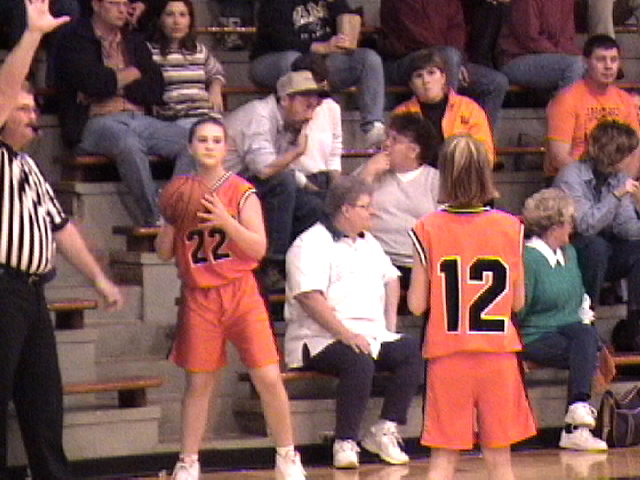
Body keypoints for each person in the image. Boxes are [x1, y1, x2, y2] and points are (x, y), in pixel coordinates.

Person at [0, 2, 124, 478]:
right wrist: (32, 35)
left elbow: (60, 227)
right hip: (2, 289)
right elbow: (5, 88)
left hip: (31, 294)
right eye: (23, 108)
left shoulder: (29, 166)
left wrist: (99, 279)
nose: (34, 116)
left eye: (36, 108)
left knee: (43, 403)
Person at [155, 116, 306, 480]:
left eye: (216, 140)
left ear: (227, 148)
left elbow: (258, 247)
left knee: (268, 377)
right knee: (198, 384)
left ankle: (287, 456)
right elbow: (162, 252)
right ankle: (187, 462)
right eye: (202, 140)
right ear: (190, 147)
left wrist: (226, 220)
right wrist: (172, 219)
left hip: (241, 291)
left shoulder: (241, 191)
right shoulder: (180, 191)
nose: (209, 146)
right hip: (199, 296)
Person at [408, 134, 536, 480]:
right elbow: (518, 302)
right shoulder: (511, 227)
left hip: (448, 356)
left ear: (444, 175)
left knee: (442, 462)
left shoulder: (426, 228)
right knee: (500, 463)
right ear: (486, 173)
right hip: (498, 356)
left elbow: (417, 305)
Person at [285, 176, 423, 469]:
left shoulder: (368, 242)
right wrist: (346, 335)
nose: (372, 212)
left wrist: (388, 327)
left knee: (411, 350)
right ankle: (345, 441)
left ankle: (384, 429)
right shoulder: (309, 244)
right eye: (366, 206)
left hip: (371, 334)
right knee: (358, 359)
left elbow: (392, 278)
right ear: (346, 209)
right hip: (320, 338)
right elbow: (309, 298)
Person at [54, 0, 194, 226]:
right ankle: (156, 217)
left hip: (138, 117)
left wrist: (113, 83)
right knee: (127, 142)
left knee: (192, 142)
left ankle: (172, 206)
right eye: (114, 3)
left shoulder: (134, 41)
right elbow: (91, 83)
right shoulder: (75, 39)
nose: (122, 10)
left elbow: (156, 88)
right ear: (96, 5)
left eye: (125, 4)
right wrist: (131, 74)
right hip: (94, 121)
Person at [519, 188, 608, 451]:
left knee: (585, 336)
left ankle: (577, 410)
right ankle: (575, 428)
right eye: (569, 222)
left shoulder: (570, 254)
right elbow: (519, 310)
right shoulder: (528, 259)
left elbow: (580, 299)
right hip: (534, 336)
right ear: (554, 226)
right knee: (585, 347)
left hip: (571, 333)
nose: (572, 227)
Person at [224, 70, 327, 286]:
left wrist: (315, 189)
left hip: (251, 187)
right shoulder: (260, 116)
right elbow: (265, 170)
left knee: (315, 203)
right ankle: (273, 262)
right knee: (283, 183)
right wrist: (297, 152)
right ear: (285, 99)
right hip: (224, 189)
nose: (310, 115)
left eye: (314, 108)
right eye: (306, 107)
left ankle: (294, 266)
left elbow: (283, 170)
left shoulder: (288, 123)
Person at [249, 0, 386, 148]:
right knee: (293, 60)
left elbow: (350, 23)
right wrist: (321, 47)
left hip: (318, 62)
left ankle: (373, 127)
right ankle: (293, 128)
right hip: (271, 60)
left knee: (368, 58)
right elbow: (280, 39)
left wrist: (335, 4)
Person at [553, 120, 640, 352]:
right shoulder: (570, 176)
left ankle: (635, 325)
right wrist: (616, 196)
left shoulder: (619, 178)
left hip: (605, 251)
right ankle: (586, 321)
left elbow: (626, 229)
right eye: (630, 154)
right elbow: (585, 225)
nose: (634, 159)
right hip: (571, 251)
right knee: (596, 246)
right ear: (615, 155)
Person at [379, 0, 509, 129]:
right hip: (405, 59)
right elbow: (415, 36)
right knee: (449, 55)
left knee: (496, 83)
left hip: (445, 60)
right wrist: (449, 60)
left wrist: (457, 62)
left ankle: (477, 138)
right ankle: (449, 127)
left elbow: (456, 29)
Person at [357, 112, 439, 287]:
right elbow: (345, 210)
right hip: (375, 261)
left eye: (394, 140)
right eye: (387, 137)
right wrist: (368, 173)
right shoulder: (369, 171)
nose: (386, 144)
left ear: (413, 151)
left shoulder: (435, 181)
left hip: (420, 263)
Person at [545, 35, 640, 176]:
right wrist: (594, 180)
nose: (608, 66)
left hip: (616, 178)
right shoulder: (566, 99)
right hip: (575, 178)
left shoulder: (625, 100)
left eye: (613, 60)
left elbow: (636, 150)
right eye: (601, 59)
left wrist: (621, 183)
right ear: (585, 62)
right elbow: (559, 157)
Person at [392, 49, 496, 168]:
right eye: (419, 76)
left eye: (431, 73)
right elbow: (393, 156)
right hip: (416, 176)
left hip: (459, 174)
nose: (426, 81)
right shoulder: (401, 114)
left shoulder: (470, 109)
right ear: (411, 84)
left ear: (443, 78)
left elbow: (486, 155)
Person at [148, 0, 226, 128]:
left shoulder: (199, 50)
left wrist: (215, 87)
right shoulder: (149, 52)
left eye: (182, 15)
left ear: (190, 21)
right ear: (160, 19)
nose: (176, 21)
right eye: (169, 15)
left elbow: (217, 72)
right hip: (174, 120)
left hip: (206, 116)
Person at [496, 0, 584, 94]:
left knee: (589, 65)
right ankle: (562, 103)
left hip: (553, 57)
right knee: (576, 65)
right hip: (516, 58)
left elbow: (566, 39)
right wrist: (559, 53)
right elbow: (530, 39)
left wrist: (587, 57)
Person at [288, 54, 342, 199]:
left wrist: (335, 189)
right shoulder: (287, 109)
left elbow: (335, 150)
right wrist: (311, 188)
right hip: (295, 182)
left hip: (324, 179)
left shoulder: (331, 108)